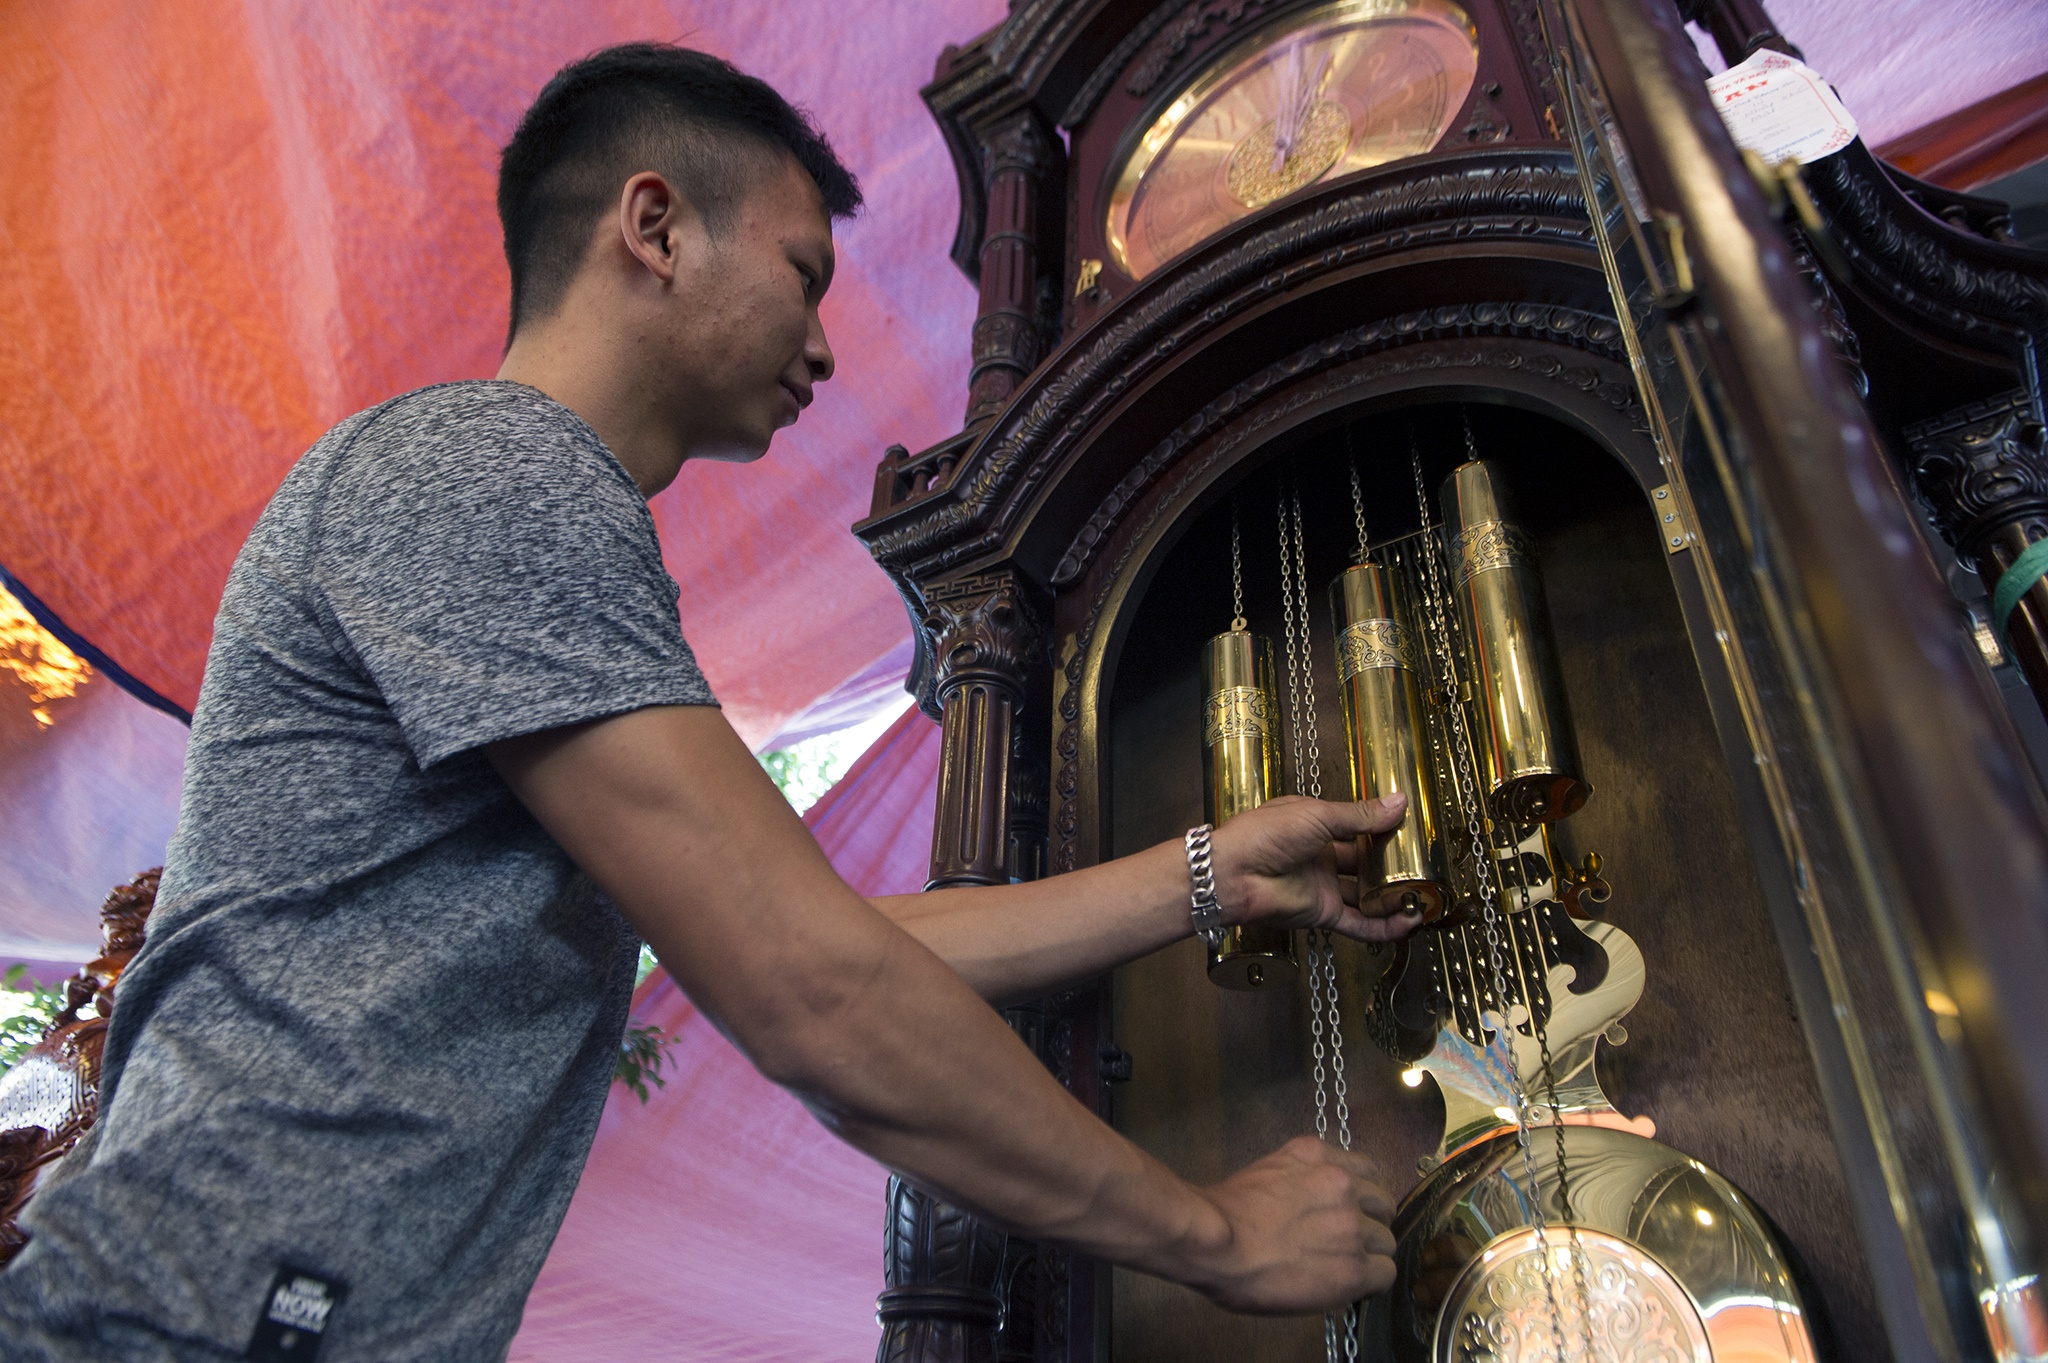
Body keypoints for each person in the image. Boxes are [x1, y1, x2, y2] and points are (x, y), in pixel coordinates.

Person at [0, 43, 1422, 1362]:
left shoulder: (533, 525)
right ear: (656, 227)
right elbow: (816, 993)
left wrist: (1207, 875)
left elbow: (822, 939)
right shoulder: (491, 472)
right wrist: (1214, 1235)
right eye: (805, 274)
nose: (826, 347)